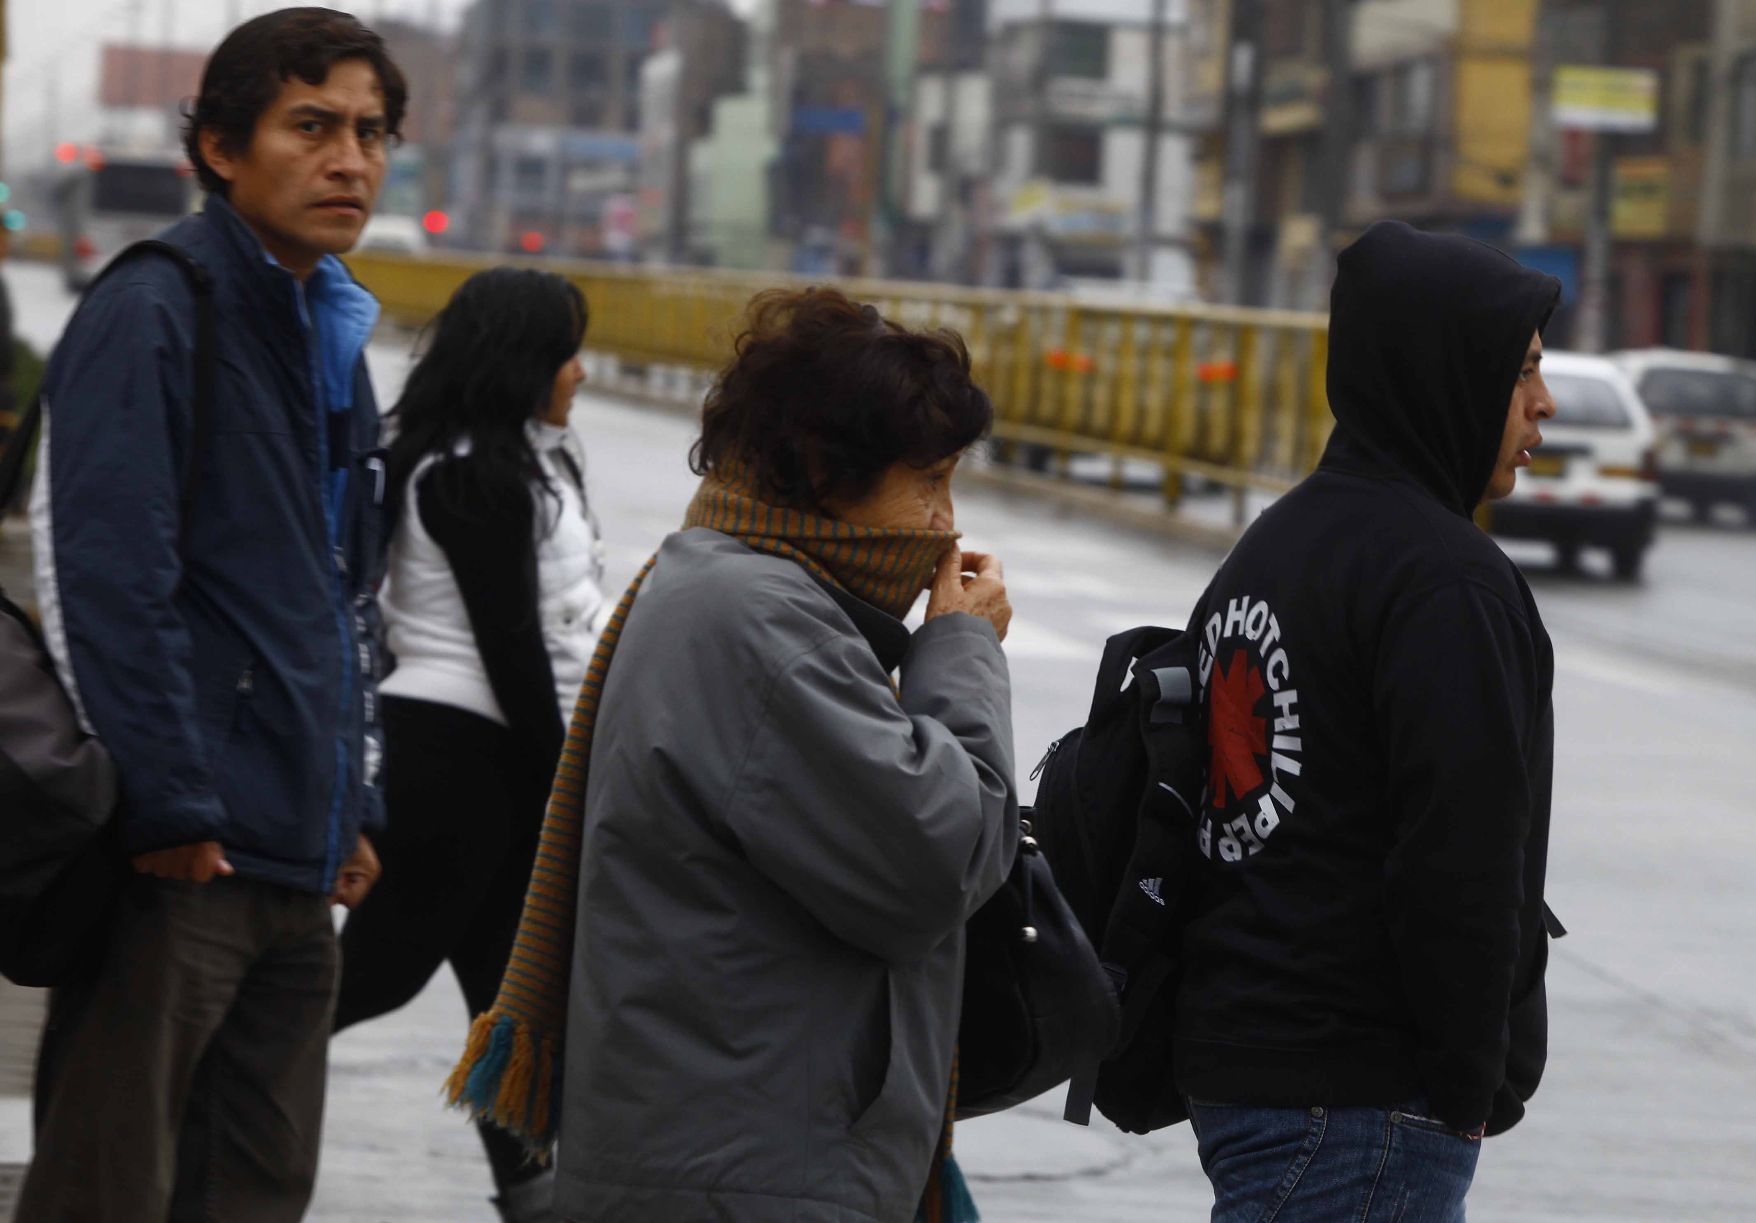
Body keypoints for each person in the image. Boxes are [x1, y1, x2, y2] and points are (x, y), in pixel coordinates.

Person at [443, 287, 1019, 1223]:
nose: (945, 523)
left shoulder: (728, 580)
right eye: (931, 481)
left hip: (734, 1151)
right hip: (750, 1170)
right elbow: (938, 858)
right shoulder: (764, 626)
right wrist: (962, 650)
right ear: (830, 476)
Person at [20, 10, 404, 1219]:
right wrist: (169, 799)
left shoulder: (331, 334)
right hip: (185, 855)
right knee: (110, 1184)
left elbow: (350, 602)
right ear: (223, 149)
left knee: (253, 1187)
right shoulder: (159, 307)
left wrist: (359, 801)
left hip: (301, 852)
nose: (352, 160)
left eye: (373, 132)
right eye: (314, 127)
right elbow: (104, 574)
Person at [1174, 221, 1561, 1220]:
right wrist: (1470, 1087)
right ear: (1448, 373)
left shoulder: (1276, 544)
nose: (1543, 405)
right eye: (1517, 371)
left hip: (1253, 1066)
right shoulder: (1445, 579)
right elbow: (1462, 861)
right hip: (1364, 1101)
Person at [333, 267, 602, 1223]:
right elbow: (514, 657)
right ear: (523, 361)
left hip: (484, 760)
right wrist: (565, 783)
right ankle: (210, 1083)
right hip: (460, 764)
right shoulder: (468, 475)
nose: (580, 370)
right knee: (373, 976)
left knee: (505, 1001)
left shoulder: (520, 458)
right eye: (565, 350)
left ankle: (535, 1193)